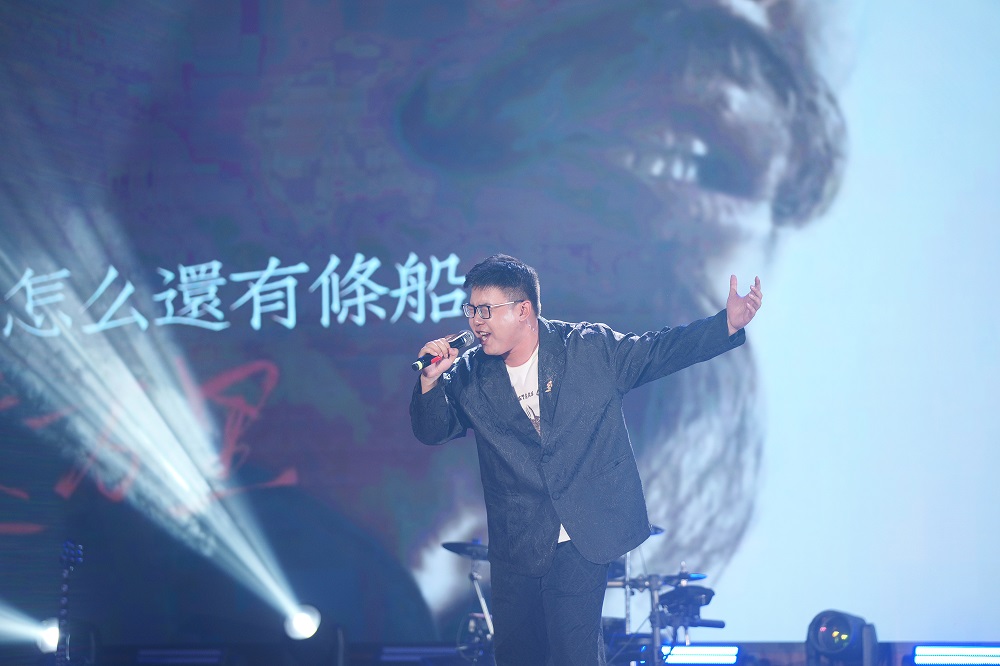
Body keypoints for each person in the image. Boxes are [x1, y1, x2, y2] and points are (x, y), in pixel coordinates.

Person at [409, 253, 763, 665]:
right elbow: (433, 430)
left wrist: (726, 324)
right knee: (517, 655)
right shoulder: (471, 374)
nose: (475, 322)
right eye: (470, 310)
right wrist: (430, 381)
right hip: (517, 540)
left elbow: (658, 351)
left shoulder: (587, 349)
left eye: (485, 310)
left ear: (523, 310)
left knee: (573, 653)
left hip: (581, 533)